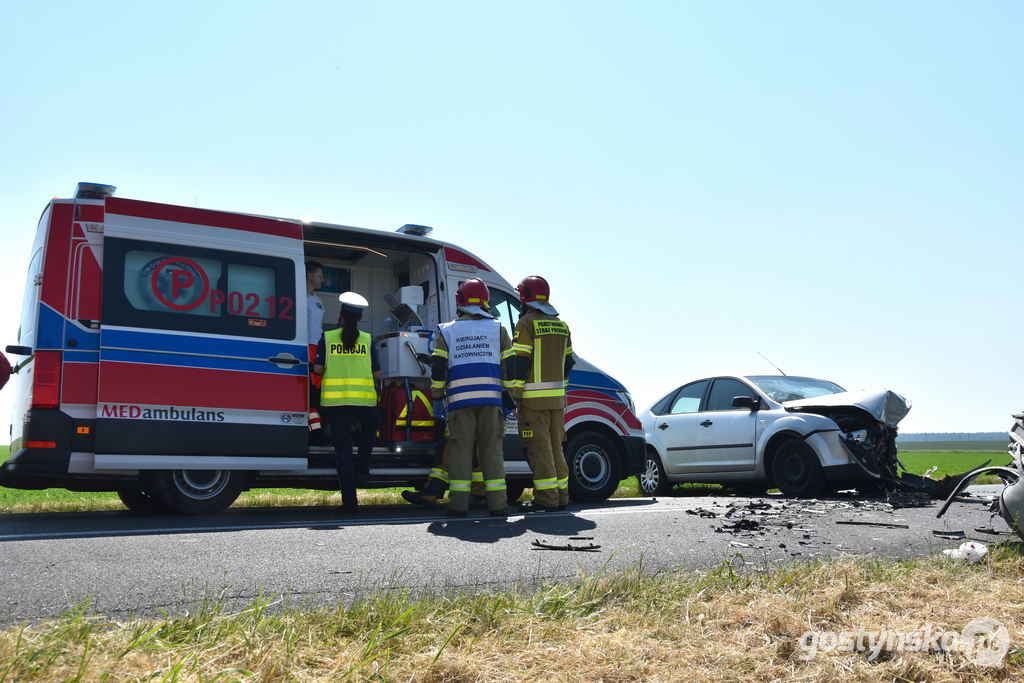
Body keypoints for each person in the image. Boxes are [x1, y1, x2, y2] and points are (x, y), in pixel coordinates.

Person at [431, 278, 516, 517]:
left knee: (460, 451)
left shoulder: (447, 330)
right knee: (492, 451)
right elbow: (509, 367)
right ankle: (498, 505)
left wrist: (438, 398)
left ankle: (458, 505)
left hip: (459, 403)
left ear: (460, 301)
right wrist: (510, 398)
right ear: (486, 302)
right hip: (491, 403)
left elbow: (439, 369)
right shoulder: (498, 329)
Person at [313, 291, 380, 513]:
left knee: (342, 450)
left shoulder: (328, 338)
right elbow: (377, 373)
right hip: (363, 401)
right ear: (360, 318)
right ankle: (362, 466)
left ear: (340, 314)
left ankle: (350, 503)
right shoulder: (368, 340)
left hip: (336, 403)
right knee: (370, 427)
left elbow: (317, 370)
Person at [512, 275, 574, 513]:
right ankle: (561, 496)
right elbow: (569, 362)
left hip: (532, 402)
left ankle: (546, 499)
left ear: (525, 298)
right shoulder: (562, 325)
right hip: (557, 401)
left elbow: (521, 362)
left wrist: (516, 395)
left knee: (540, 449)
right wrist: (561, 389)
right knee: (556, 448)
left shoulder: (526, 323)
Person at [305, 261, 328, 445]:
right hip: (305, 349)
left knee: (320, 393)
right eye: (320, 276)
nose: (323, 279)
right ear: (310, 276)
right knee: (311, 394)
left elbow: (320, 327)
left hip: (318, 349)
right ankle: (315, 433)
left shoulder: (318, 300)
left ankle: (317, 431)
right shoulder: (299, 297)